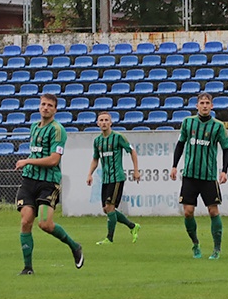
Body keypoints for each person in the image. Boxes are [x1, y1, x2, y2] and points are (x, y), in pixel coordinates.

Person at [15, 93, 84, 275]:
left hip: (48, 182)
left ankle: (74, 246)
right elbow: (37, 153)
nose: (45, 107)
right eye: (43, 104)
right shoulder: (34, 127)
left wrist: (27, 161)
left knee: (44, 224)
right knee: (25, 221)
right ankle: (28, 268)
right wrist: (28, 163)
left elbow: (54, 160)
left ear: (55, 109)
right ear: (39, 106)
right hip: (29, 180)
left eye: (49, 105)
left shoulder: (57, 130)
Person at [170, 92, 228, 260]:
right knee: (188, 212)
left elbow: (226, 149)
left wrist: (224, 170)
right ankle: (195, 244)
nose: (204, 105)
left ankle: (216, 249)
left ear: (212, 106)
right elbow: (180, 145)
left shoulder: (217, 126)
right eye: (201, 103)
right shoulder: (188, 123)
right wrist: (174, 166)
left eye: (207, 103)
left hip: (209, 176)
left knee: (213, 211)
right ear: (197, 106)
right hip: (189, 175)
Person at [86, 112, 142, 245]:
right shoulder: (97, 141)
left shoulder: (118, 137)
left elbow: (132, 151)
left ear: (111, 123)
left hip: (117, 178)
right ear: (97, 123)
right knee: (106, 209)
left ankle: (109, 239)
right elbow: (95, 158)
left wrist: (136, 170)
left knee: (109, 207)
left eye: (106, 120)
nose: (104, 122)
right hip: (105, 179)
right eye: (101, 120)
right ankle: (133, 226)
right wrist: (89, 174)